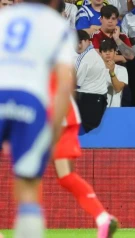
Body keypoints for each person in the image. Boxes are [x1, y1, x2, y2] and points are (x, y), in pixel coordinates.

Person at [0, 1, 75, 237]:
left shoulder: (5, 16)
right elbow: (65, 84)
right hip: (30, 101)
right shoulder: (58, 26)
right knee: (29, 185)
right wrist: (52, 133)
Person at [49, 73, 118, 238]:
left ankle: (102, 217)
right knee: (65, 176)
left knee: (28, 174)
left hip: (53, 111)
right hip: (55, 110)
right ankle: (102, 218)